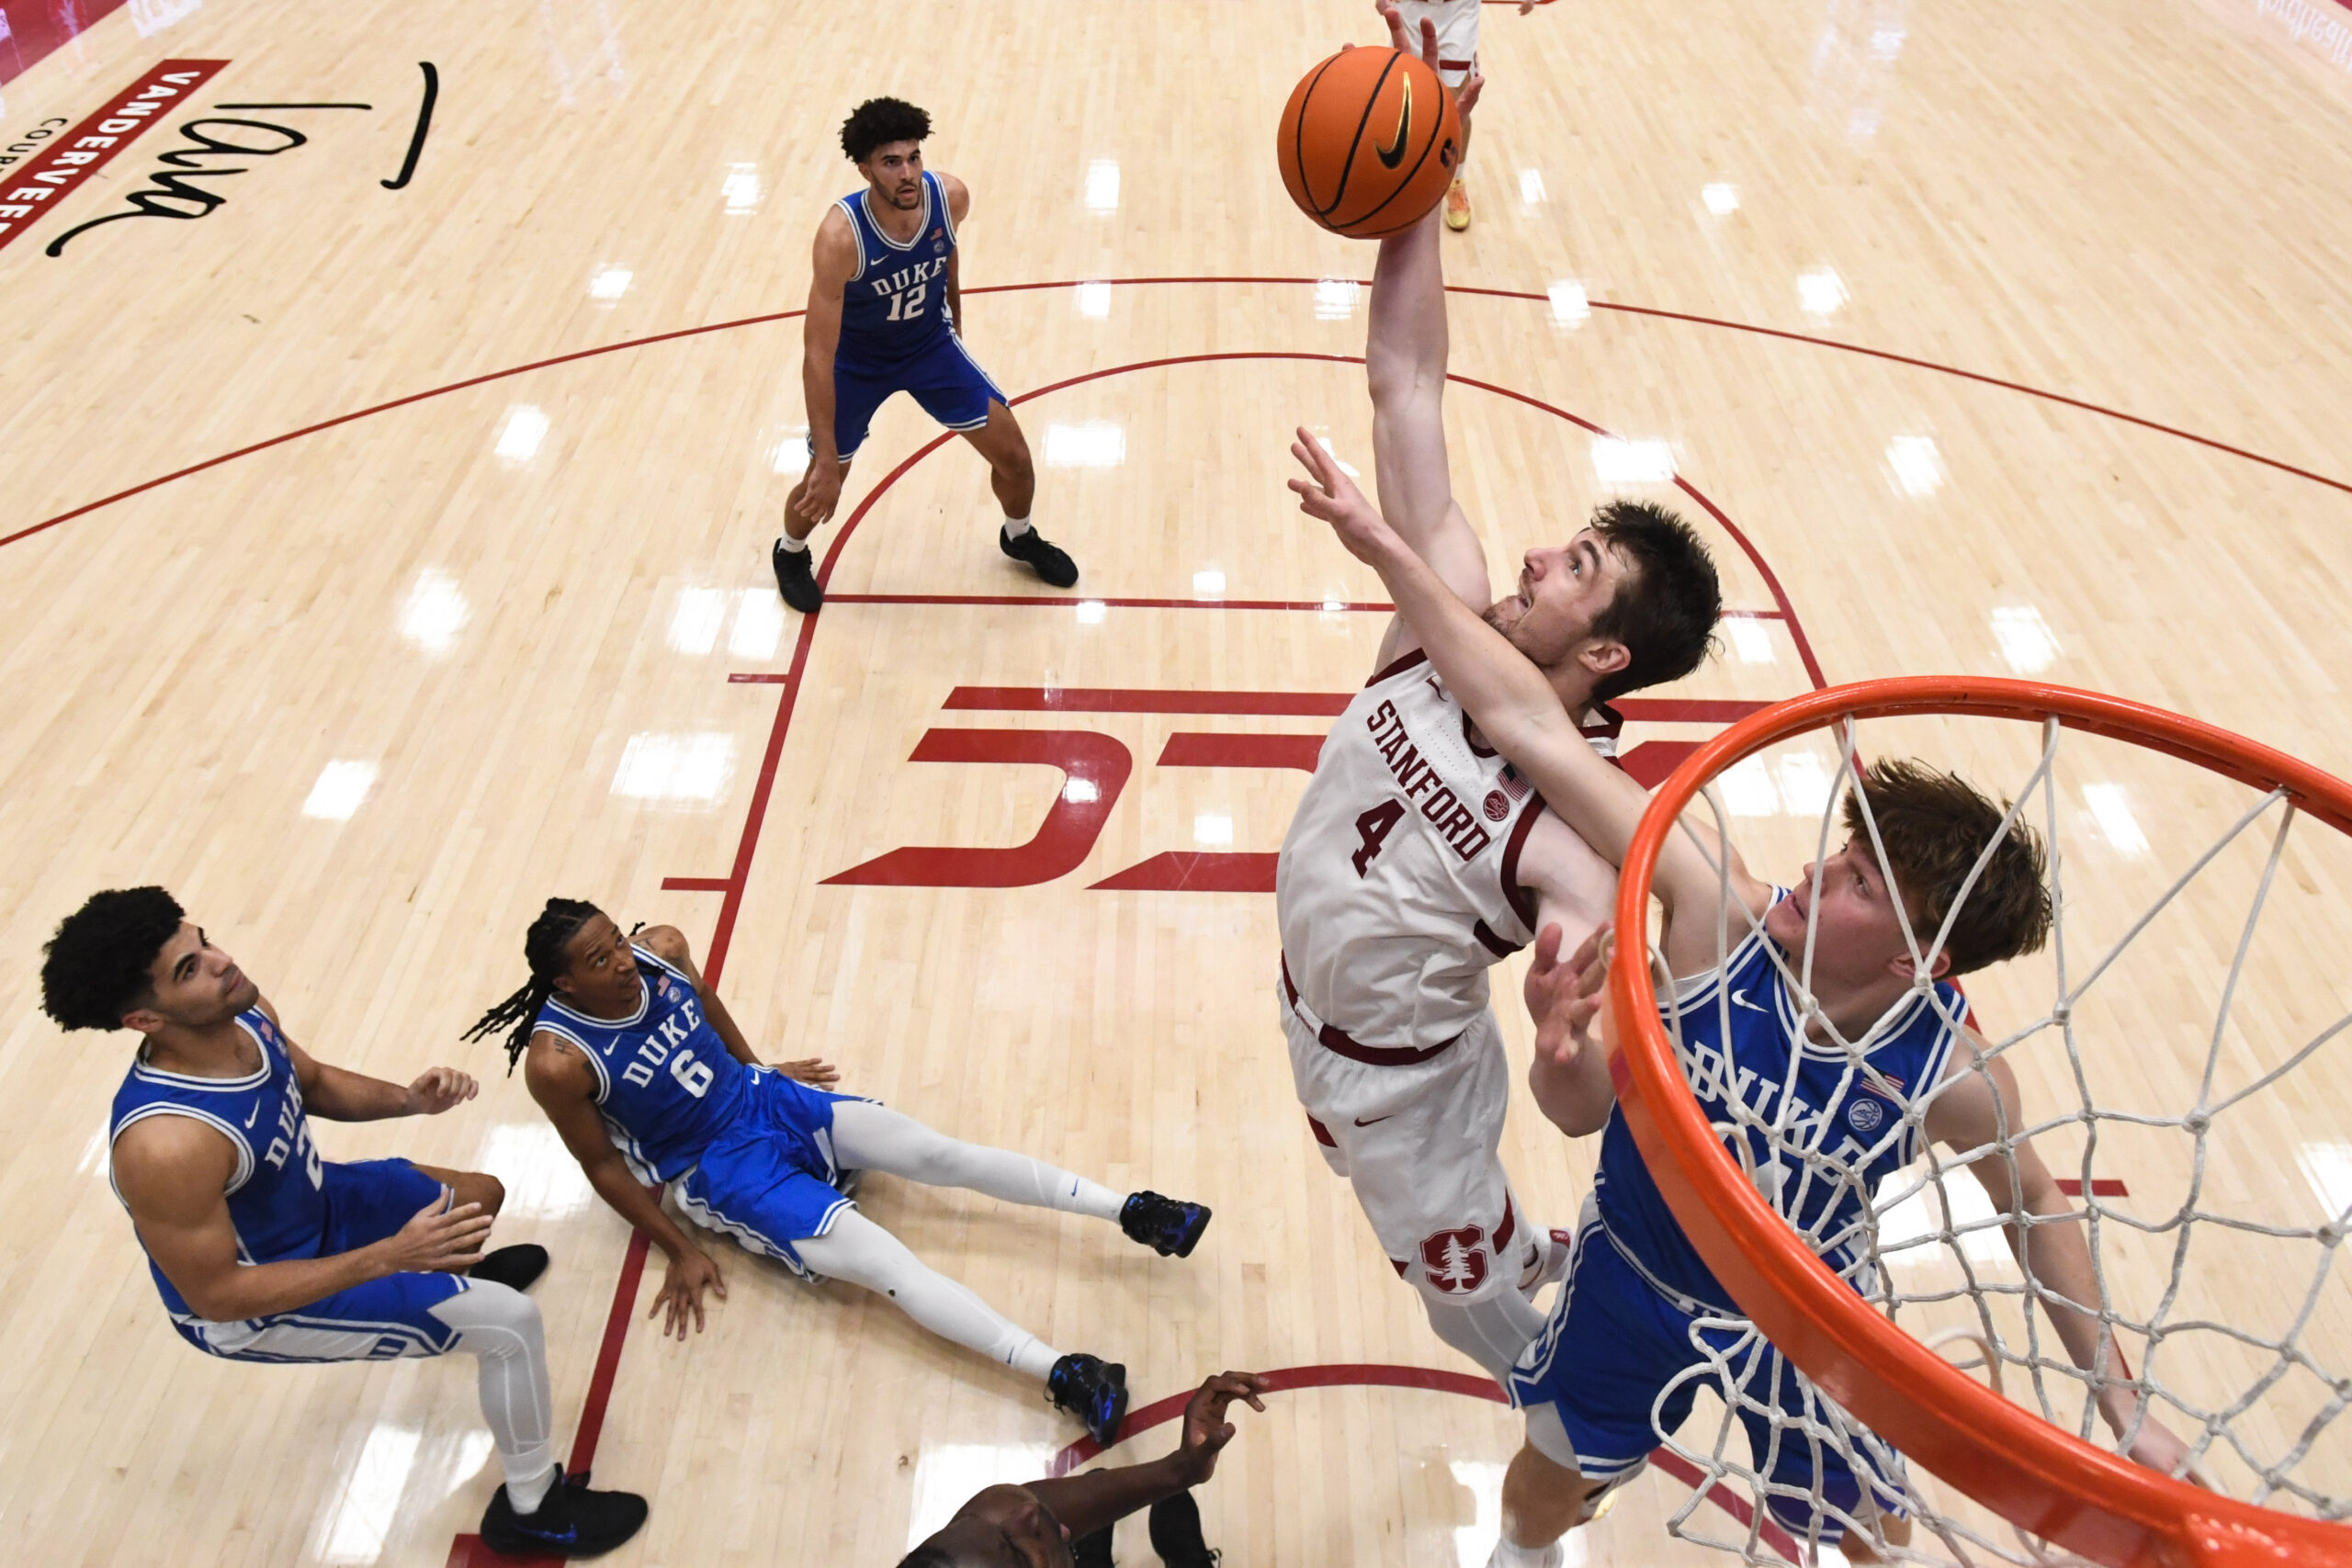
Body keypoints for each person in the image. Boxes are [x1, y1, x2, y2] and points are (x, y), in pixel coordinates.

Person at [1288, 439, 2199, 1564]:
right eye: (1844, 853)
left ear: (1922, 964)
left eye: (1859, 884)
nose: (1817, 873)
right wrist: (1560, 1044)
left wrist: (2117, 1404)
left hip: (1804, 1314)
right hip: (1631, 1275)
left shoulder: (1949, 1074)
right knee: (1546, 1477)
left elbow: (2035, 1204)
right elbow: (1527, 725)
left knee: (1877, 1534)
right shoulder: (1712, 906)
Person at [1274, 6, 1723, 1388]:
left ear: (1603, 658)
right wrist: (1424, 164)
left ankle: (1553, 1382)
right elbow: (1405, 380)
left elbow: (1580, 1108)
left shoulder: (1578, 843)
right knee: (1455, 1230)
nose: (1533, 553)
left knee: (1448, 1300)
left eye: (1575, 567)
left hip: (1407, 1081)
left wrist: (1556, 1031)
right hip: (1307, 1003)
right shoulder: (1449, 609)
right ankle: (1518, 1250)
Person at [463, 899, 1212, 1448]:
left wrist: (757, 1070)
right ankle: (1065, 1373)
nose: (623, 960)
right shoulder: (558, 1063)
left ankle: (1134, 1209)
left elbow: (708, 1000)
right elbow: (601, 1164)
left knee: (938, 1152)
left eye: (615, 942)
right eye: (598, 961)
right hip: (717, 1170)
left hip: (764, 1101)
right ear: (564, 985)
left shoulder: (662, 946)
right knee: (890, 1266)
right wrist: (680, 1247)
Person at [38, 886, 648, 1560]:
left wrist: (410, 1100)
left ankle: (449, 1277)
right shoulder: (165, 1145)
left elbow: (317, 1082)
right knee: (510, 1325)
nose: (221, 961)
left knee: (481, 1193)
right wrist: (388, 1255)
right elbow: (218, 1295)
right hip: (259, 1303)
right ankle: (533, 1506)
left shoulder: (245, 1013)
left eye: (203, 940)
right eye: (189, 969)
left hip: (316, 1206)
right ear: (143, 1018)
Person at [773, 95, 1078, 614]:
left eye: (914, 157)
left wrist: (955, 322)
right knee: (823, 483)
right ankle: (790, 551)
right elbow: (817, 353)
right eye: (892, 162)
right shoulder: (840, 237)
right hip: (857, 364)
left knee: (1017, 458)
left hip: (928, 347)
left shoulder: (949, 196)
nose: (908, 172)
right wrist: (825, 455)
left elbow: (946, 249)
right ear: (865, 168)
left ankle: (1018, 535)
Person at [899, 1371, 1269, 1568]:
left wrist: (1180, 1470)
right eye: (1020, 1556)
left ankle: (1083, 1559)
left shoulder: (990, 1523)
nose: (1024, 1513)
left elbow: (1025, 1503)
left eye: (978, 1524)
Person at [1392, 0, 1544, 231]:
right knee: (1408, 98)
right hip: (1410, 7)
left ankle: (1455, 180)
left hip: (1458, 10)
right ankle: (1407, 173)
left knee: (1455, 106)